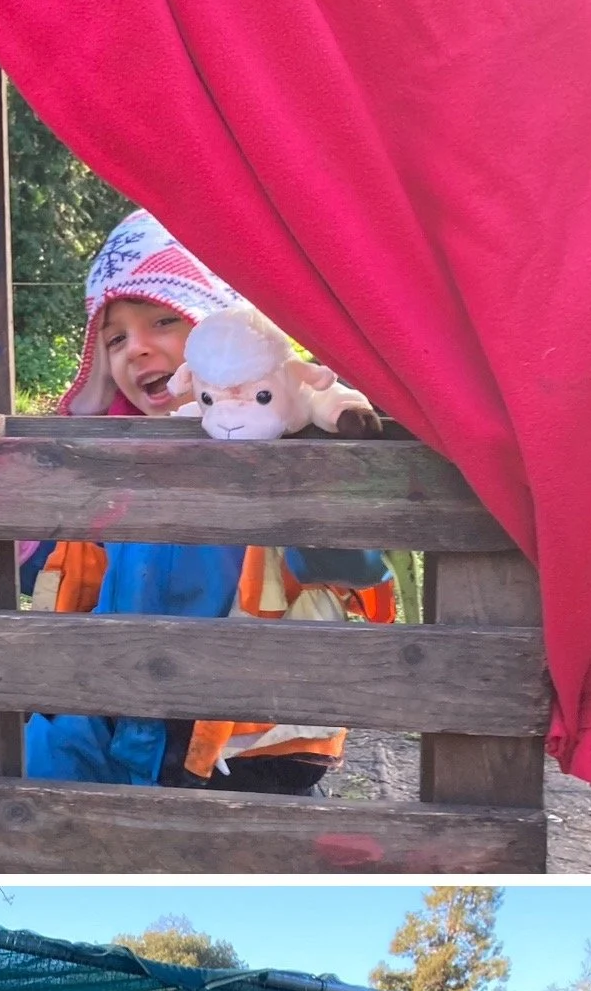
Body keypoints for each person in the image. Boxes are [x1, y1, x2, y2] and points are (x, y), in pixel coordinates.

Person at [23, 210, 396, 792]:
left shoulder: (287, 450)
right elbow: (56, 575)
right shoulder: (110, 464)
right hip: (112, 718)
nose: (136, 349)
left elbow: (353, 568)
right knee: (20, 768)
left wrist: (307, 478)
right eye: (115, 338)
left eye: (163, 320)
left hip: (246, 742)